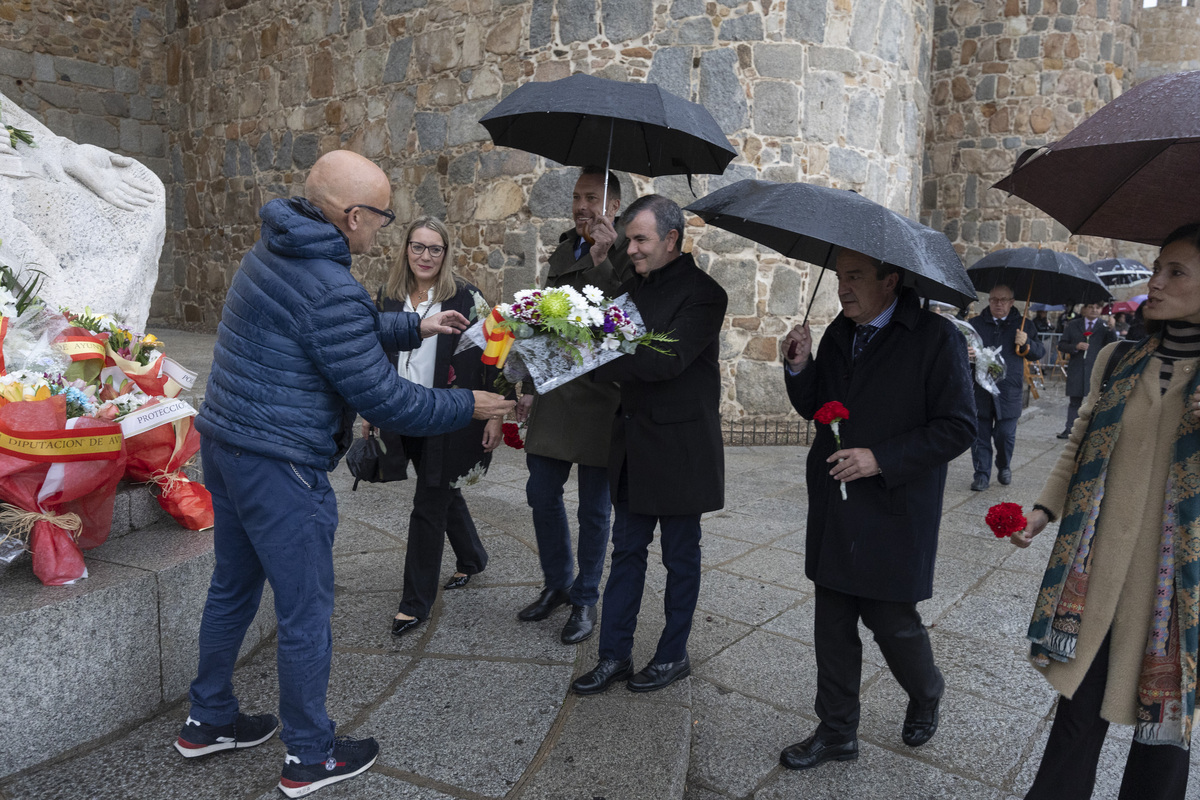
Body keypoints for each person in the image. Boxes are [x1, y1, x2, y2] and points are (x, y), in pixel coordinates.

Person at [176, 150, 514, 798]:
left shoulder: (274, 250)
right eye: (383, 217)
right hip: (279, 466)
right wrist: (466, 404)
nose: (385, 230)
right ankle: (309, 755)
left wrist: (416, 325)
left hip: (225, 444)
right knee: (306, 611)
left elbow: (338, 329)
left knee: (231, 588)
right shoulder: (328, 284)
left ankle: (207, 717)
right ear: (352, 216)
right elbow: (384, 398)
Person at [1012, 222, 1200, 800]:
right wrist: (1044, 510)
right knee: (1075, 716)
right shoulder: (1118, 358)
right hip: (1098, 575)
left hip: (1177, 592)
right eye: (1157, 267)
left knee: (1162, 737)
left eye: (1176, 272)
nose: (1155, 283)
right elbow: (1080, 444)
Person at [776, 248, 975, 770]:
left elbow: (958, 426)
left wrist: (880, 459)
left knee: (891, 619)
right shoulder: (841, 331)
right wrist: (800, 368)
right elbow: (820, 408)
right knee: (833, 621)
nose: (844, 288)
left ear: (890, 281)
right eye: (841, 277)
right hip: (836, 499)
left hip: (893, 504)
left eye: (856, 277)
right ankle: (837, 730)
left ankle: (926, 689)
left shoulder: (937, 338)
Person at [569, 194, 727, 695]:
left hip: (681, 449)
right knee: (627, 552)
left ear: (672, 240)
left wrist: (590, 356)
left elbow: (667, 361)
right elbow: (608, 327)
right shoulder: (631, 285)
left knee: (681, 559)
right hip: (634, 443)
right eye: (630, 240)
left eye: (640, 240)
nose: (631, 250)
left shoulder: (706, 295)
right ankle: (613, 654)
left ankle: (672, 654)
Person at [366, 216, 503, 638]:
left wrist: (495, 413)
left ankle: (415, 603)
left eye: (435, 248)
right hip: (400, 411)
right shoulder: (388, 296)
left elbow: (494, 355)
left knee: (428, 502)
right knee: (441, 487)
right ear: (405, 249)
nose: (425, 256)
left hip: (447, 412)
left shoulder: (466, 297)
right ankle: (473, 558)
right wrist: (372, 411)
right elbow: (374, 355)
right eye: (418, 246)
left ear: (446, 254)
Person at [515, 166, 631, 645]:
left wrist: (606, 259)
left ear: (616, 207)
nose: (583, 206)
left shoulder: (629, 250)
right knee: (541, 493)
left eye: (594, 198)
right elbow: (545, 316)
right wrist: (522, 377)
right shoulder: (565, 248)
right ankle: (557, 583)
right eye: (578, 197)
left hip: (601, 398)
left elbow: (625, 321)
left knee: (595, 511)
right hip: (555, 393)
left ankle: (585, 599)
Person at [967, 284, 1045, 491]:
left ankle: (1004, 465)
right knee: (980, 435)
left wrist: (1027, 342)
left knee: (1004, 435)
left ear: (1011, 302)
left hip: (1008, 391)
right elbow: (959, 350)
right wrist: (967, 355)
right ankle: (982, 474)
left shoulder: (1023, 325)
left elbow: (1039, 352)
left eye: (1003, 300)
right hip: (980, 391)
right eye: (994, 299)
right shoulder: (975, 324)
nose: (998, 304)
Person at [1057, 301, 1119, 439]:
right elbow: (1061, 344)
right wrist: (1075, 346)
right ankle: (1069, 429)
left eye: (1097, 307)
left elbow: (1112, 344)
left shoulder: (1104, 326)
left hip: (1095, 368)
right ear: (1084, 309)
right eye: (1091, 307)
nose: (1094, 310)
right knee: (1075, 400)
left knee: (1095, 400)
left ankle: (1091, 430)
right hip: (1077, 367)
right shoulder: (1073, 324)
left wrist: (1112, 329)